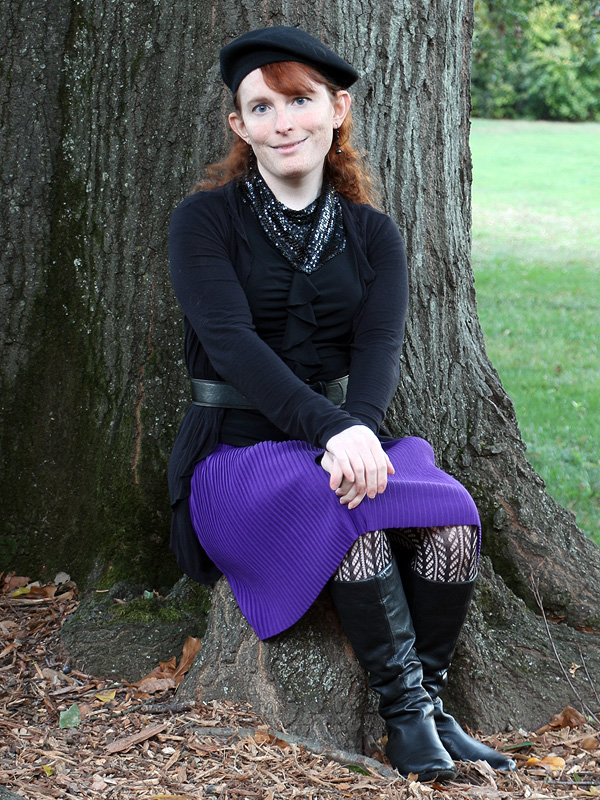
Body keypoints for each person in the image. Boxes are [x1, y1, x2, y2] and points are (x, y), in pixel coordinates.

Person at [168, 25, 516, 782]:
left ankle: (432, 707)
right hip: (238, 453)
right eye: (261, 108)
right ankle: (405, 718)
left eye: (299, 100)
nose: (282, 122)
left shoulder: (374, 234)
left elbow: (378, 350)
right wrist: (337, 432)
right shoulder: (204, 221)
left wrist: (356, 430)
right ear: (239, 127)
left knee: (453, 514)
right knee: (351, 521)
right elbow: (230, 344)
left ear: (337, 110)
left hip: (343, 440)